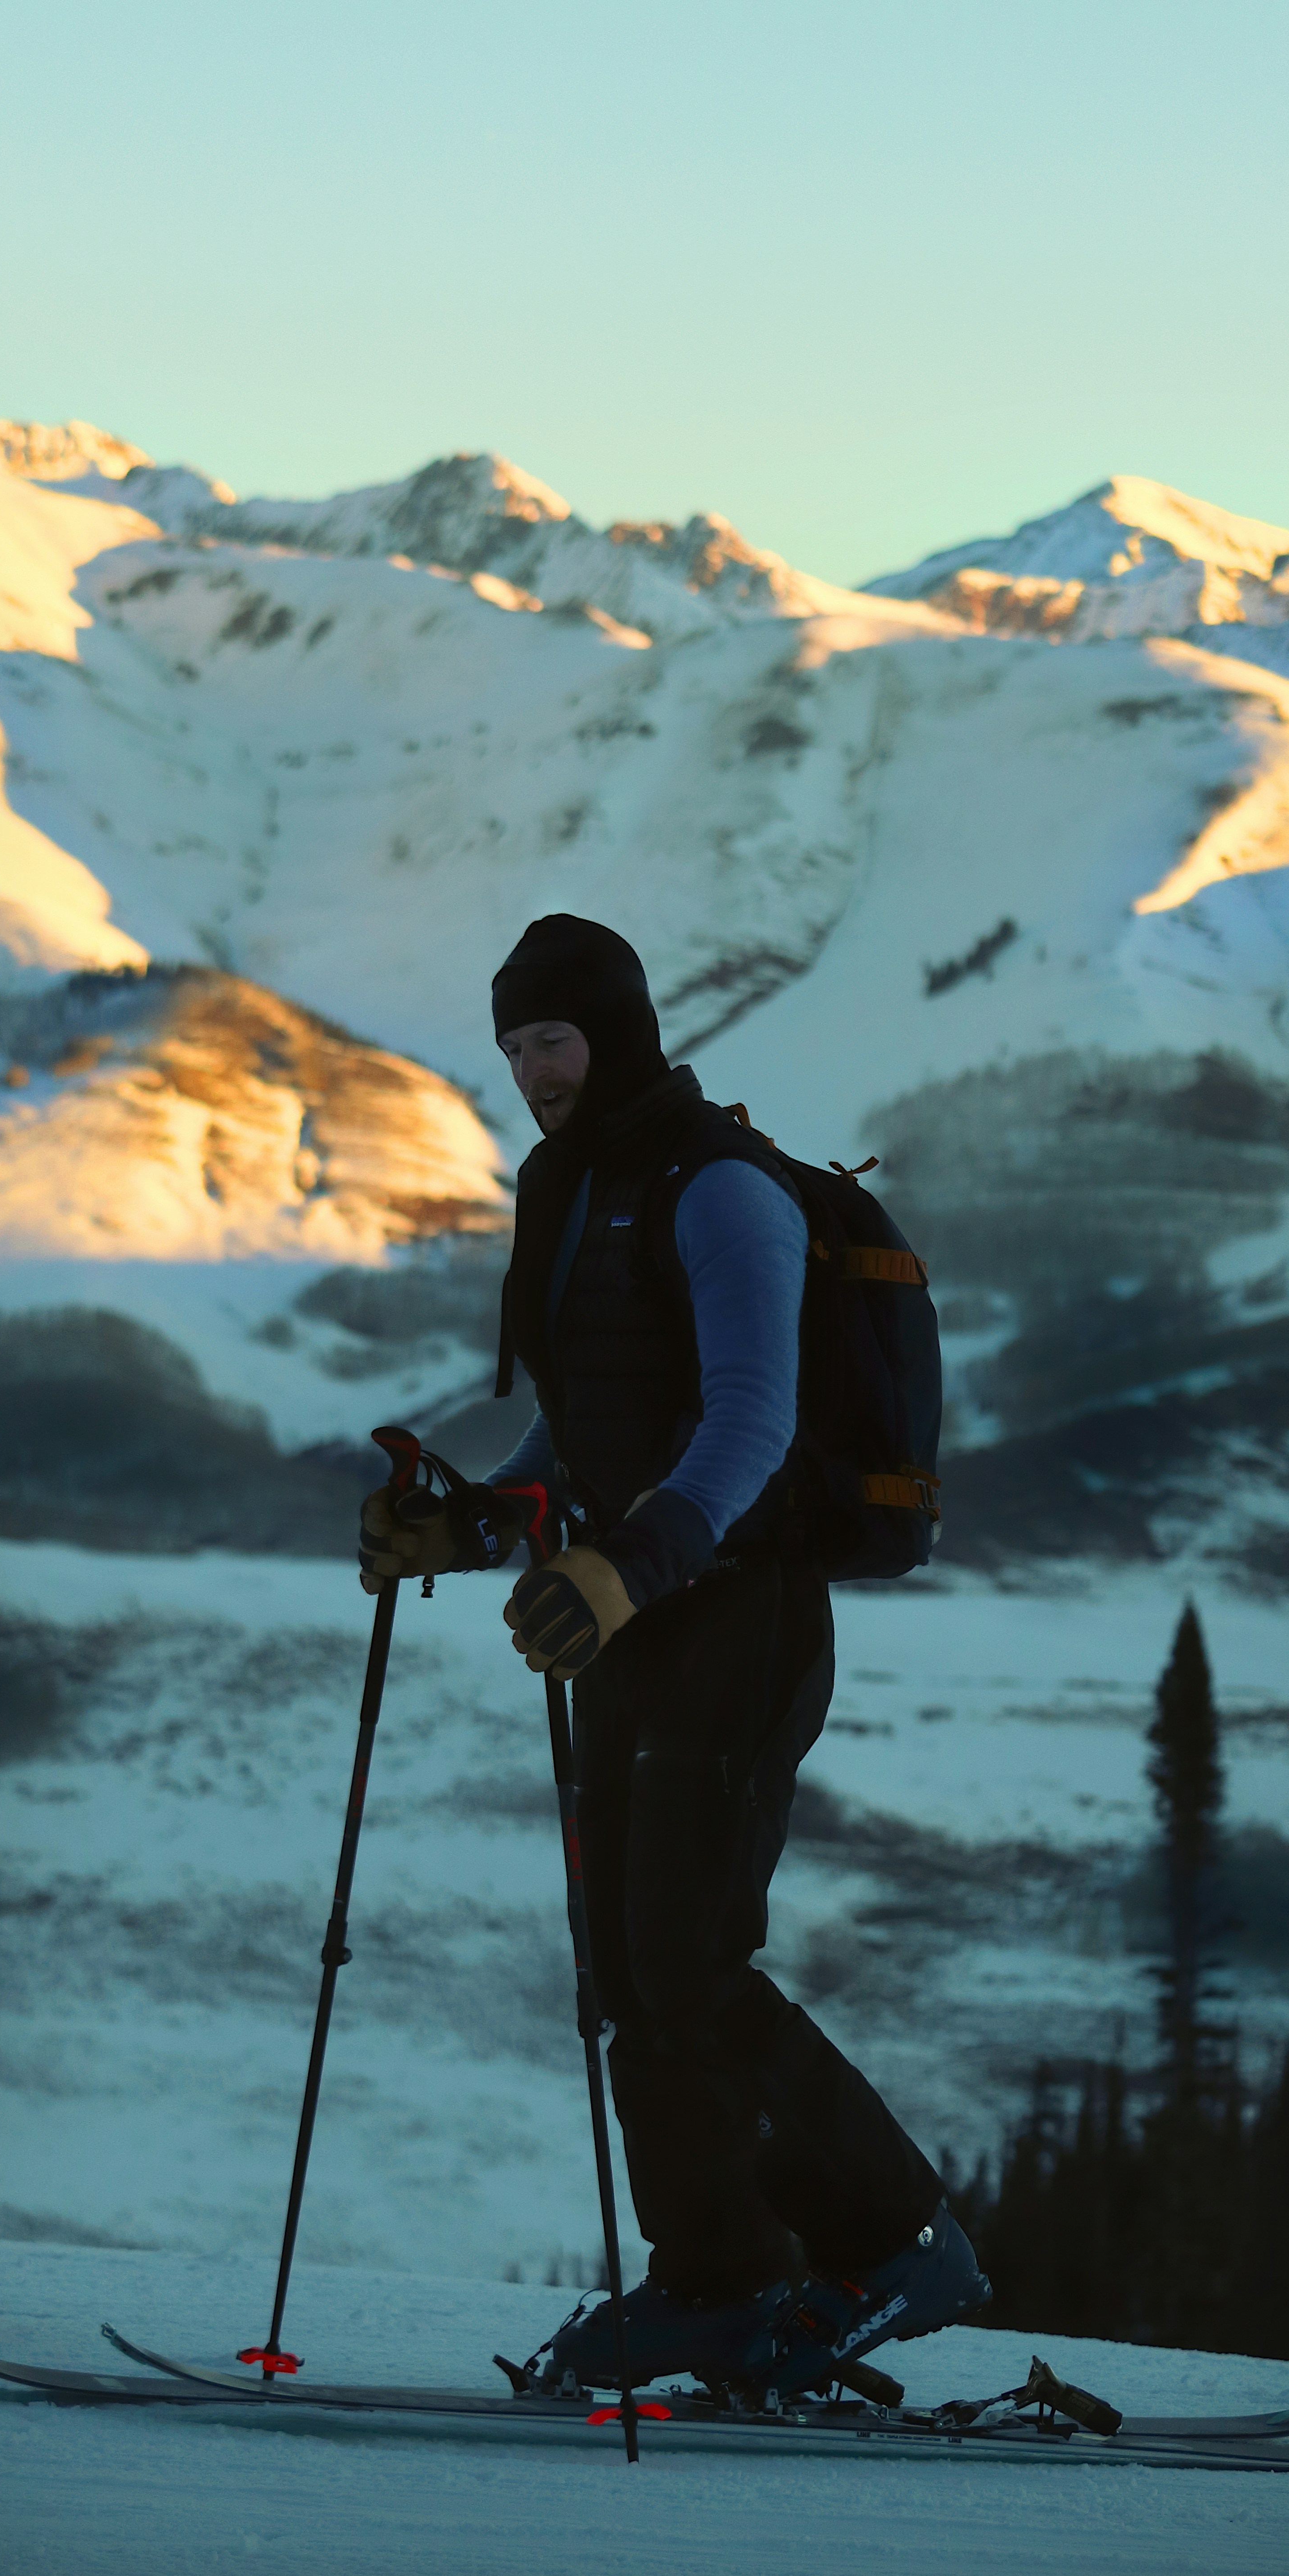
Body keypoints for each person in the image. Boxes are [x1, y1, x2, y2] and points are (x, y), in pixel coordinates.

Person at [359, 913, 987, 2393]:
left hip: (741, 1616)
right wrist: (472, 1524)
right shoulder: (576, 1192)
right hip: (634, 1621)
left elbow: (752, 1421)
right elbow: (582, 1436)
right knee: (631, 1974)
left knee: (691, 1965)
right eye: (513, 1045)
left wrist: (625, 1563)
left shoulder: (722, 1193)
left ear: (618, 1031)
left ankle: (899, 2242)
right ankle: (715, 2279)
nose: (533, 1070)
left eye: (555, 1039)